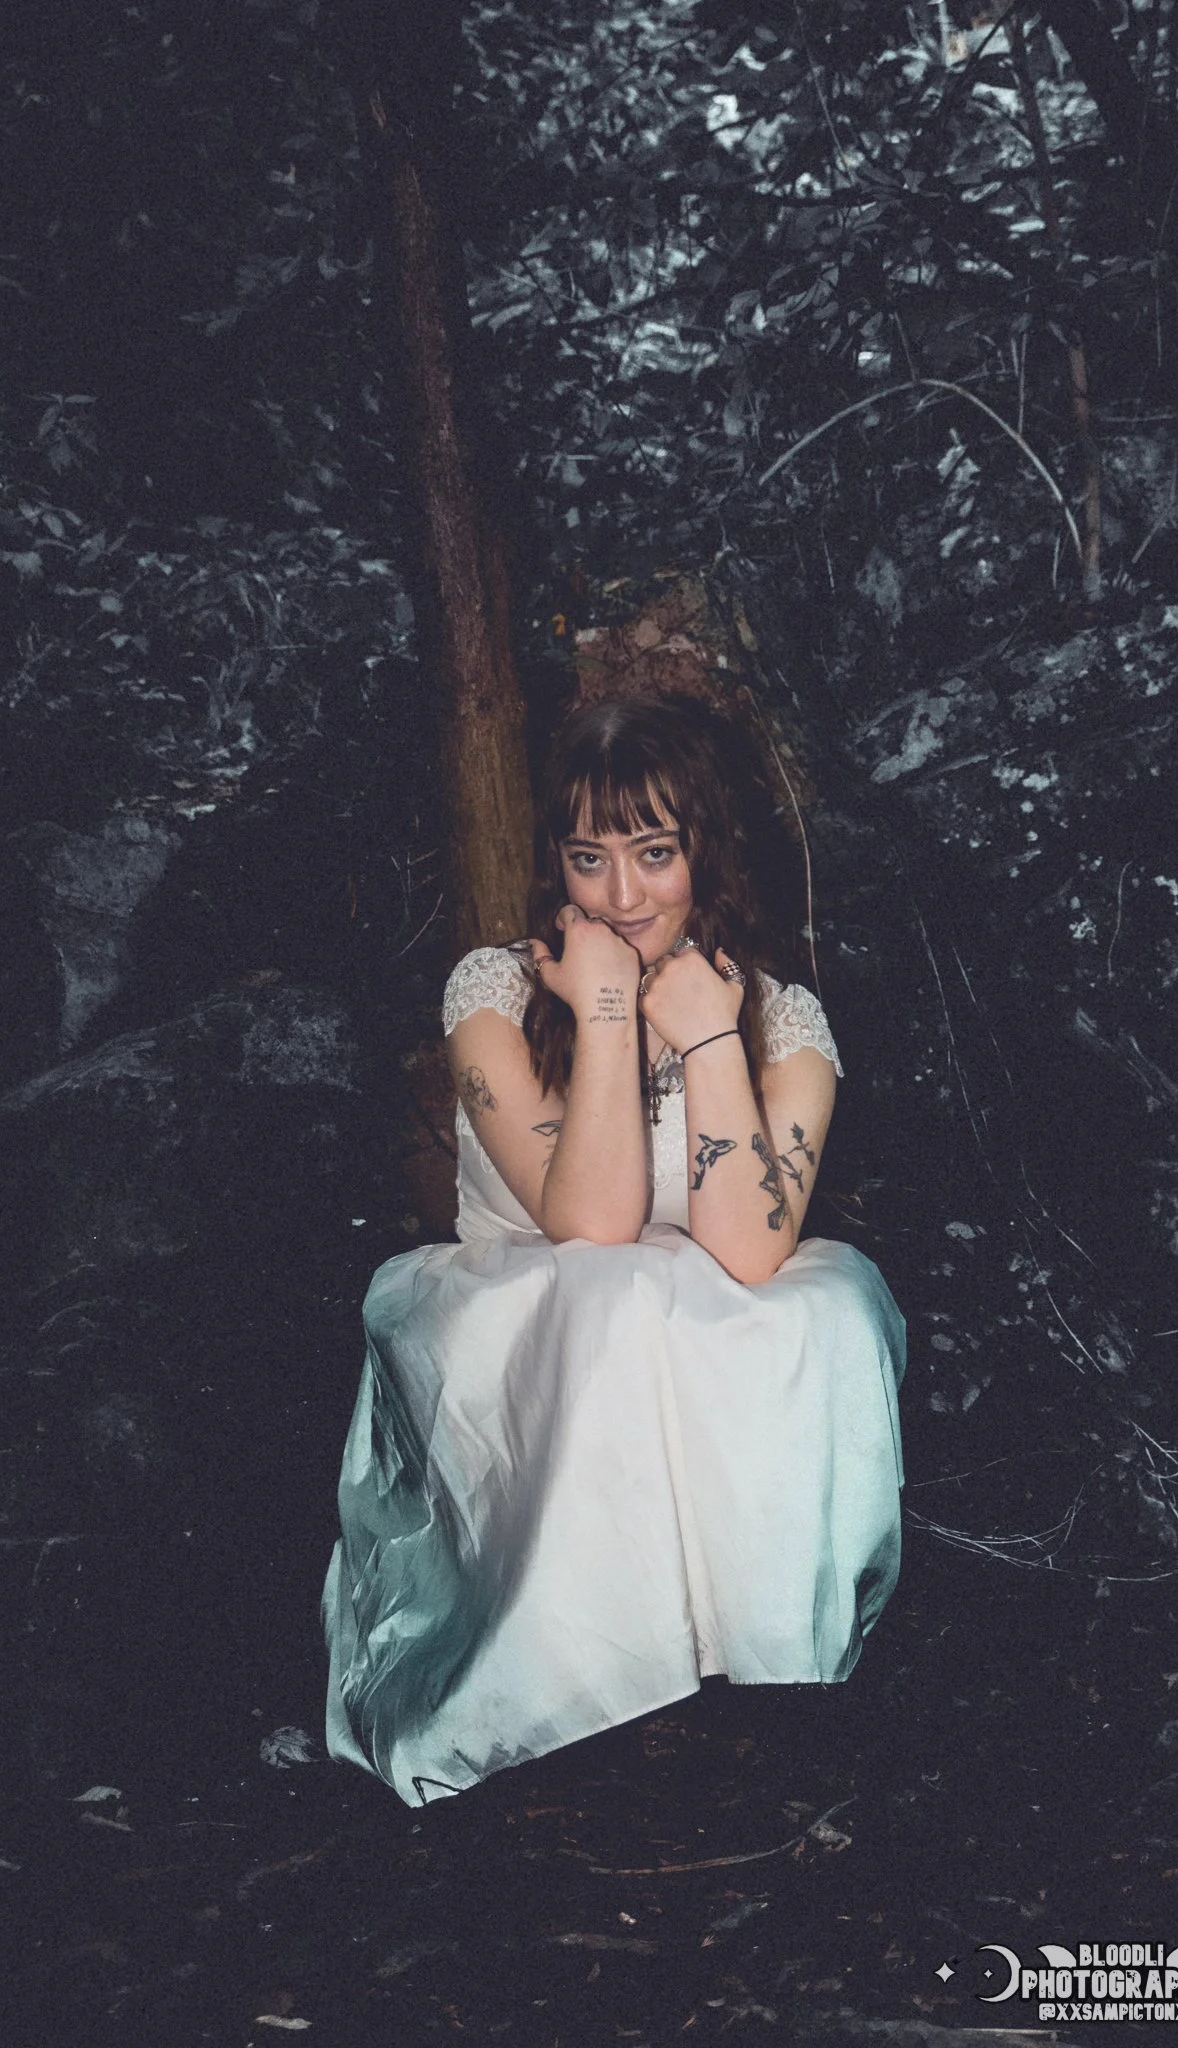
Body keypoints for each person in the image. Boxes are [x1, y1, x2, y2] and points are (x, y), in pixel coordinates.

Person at [322, 695, 905, 1807]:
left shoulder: (783, 1019)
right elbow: (586, 1223)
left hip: (700, 1318)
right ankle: (583, 1685)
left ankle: (751, 1673)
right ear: (559, 861)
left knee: (817, 1308)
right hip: (523, 1319)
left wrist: (706, 1033)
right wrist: (600, 1009)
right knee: (615, 1294)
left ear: (707, 852)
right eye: (590, 858)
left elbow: (745, 1243)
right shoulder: (491, 995)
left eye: (654, 853)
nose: (623, 895)